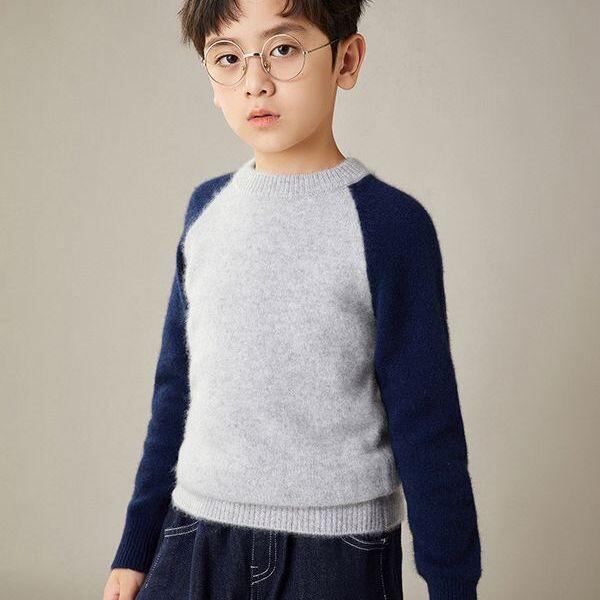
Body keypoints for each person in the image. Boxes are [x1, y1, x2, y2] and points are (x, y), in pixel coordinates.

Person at [103, 1, 482, 599]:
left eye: (283, 49)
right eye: (228, 58)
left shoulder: (391, 225)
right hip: (194, 533)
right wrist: (137, 545)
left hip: (336, 553)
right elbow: (175, 389)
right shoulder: (206, 212)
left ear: (346, 60)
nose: (255, 81)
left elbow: (426, 419)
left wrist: (453, 585)